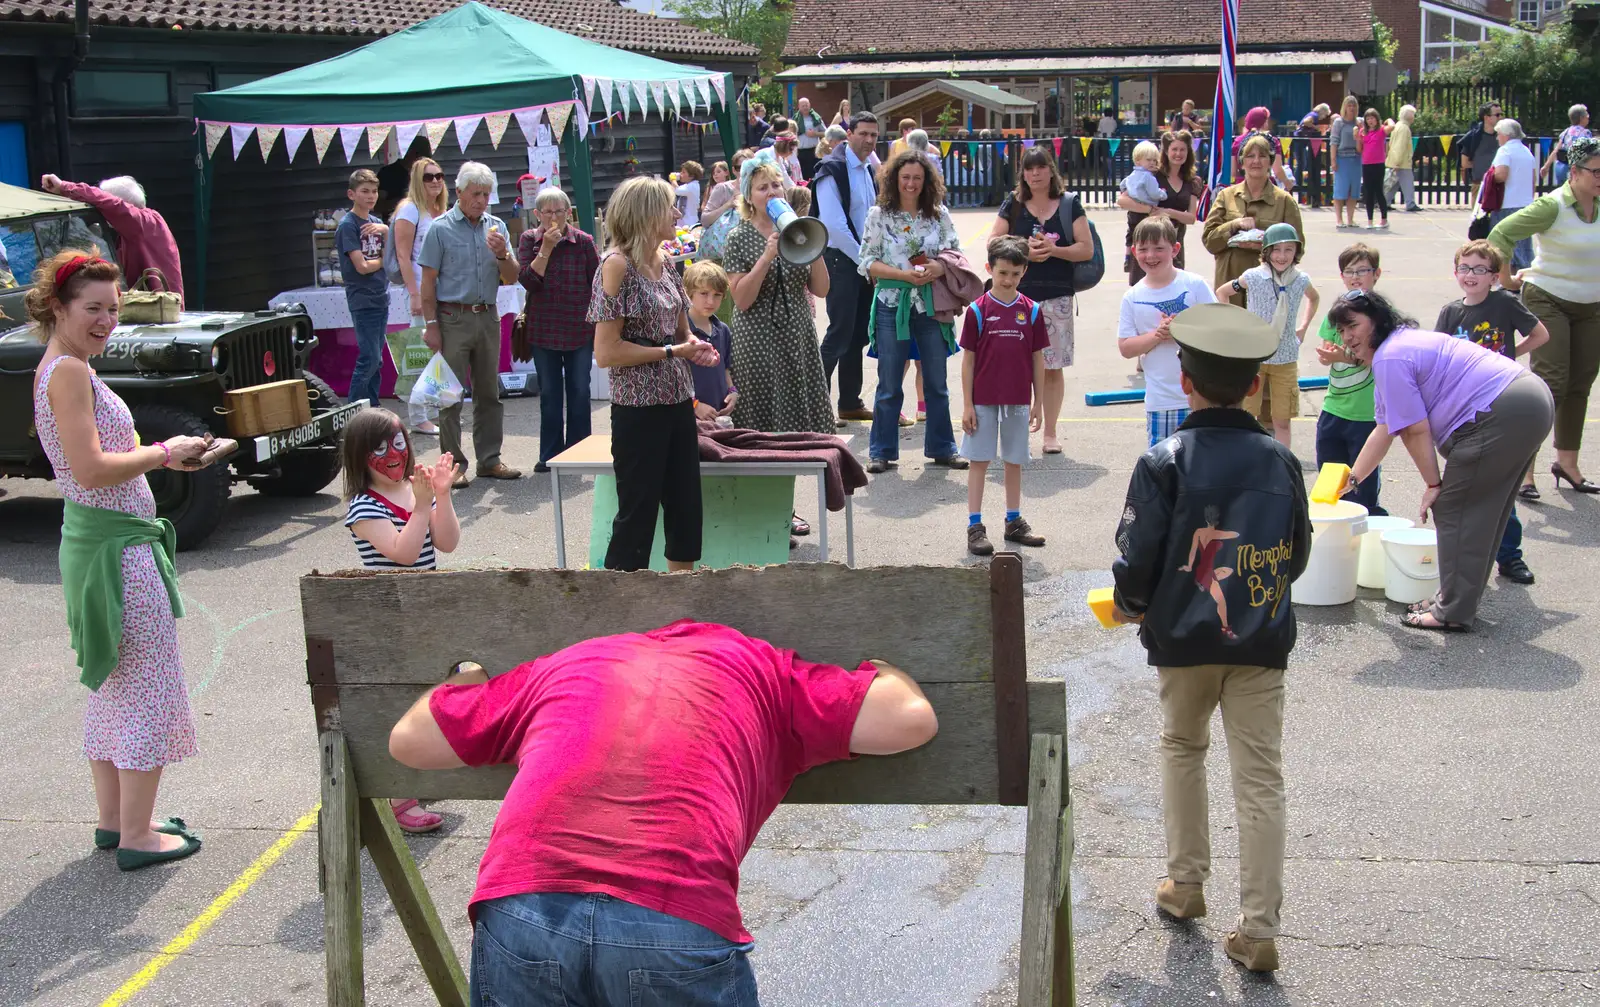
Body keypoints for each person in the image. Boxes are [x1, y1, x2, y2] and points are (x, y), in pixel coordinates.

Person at [387, 622, 939, 1005]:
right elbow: (910, 718)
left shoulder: (565, 664)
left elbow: (408, 741)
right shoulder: (767, 670)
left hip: (524, 908)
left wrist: (464, 679)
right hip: (671, 918)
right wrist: (884, 669)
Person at [1109, 301, 1310, 974]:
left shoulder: (1164, 457)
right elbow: (1297, 553)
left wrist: (1135, 605)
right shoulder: (1281, 460)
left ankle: (1186, 883)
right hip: (1260, 640)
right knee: (1260, 781)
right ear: (1256, 384)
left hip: (1184, 638)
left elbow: (1136, 560)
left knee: (1182, 747)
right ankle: (1259, 929)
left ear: (1184, 377)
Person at [30, 250, 211, 871]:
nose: (107, 319)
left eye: (113, 307)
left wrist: (169, 456)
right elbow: (87, 468)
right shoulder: (70, 373)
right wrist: (165, 452)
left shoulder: (64, 364)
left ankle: (116, 820)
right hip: (116, 549)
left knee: (116, 683)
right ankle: (136, 833)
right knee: (147, 689)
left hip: (101, 543)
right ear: (58, 306)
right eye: (93, 308)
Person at [1334, 291, 1552, 630]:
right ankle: (1454, 599)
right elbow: (1386, 428)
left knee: (1453, 507)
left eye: (1353, 326)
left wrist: (1434, 484)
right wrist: (1351, 482)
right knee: (1484, 508)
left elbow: (1414, 431)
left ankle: (1451, 610)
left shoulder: (1389, 358)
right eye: (1341, 330)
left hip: (1502, 410)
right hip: (1528, 401)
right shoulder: (1400, 345)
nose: (1347, 337)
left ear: (1377, 320)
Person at [586, 176, 721, 573]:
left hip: (678, 402)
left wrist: (698, 348)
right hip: (638, 410)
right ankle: (622, 609)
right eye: (669, 206)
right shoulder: (616, 266)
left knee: (685, 510)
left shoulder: (665, 263)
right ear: (646, 213)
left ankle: (681, 603)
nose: (678, 213)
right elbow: (606, 352)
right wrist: (670, 351)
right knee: (637, 515)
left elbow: (683, 332)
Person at [339, 408, 459, 834]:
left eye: (398, 443)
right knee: (402, 703)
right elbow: (404, 555)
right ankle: (399, 797)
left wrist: (441, 496)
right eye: (379, 448)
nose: (393, 454)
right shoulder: (364, 508)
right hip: (389, 618)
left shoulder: (416, 490)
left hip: (424, 612)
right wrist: (423, 507)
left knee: (436, 691)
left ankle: (419, 774)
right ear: (359, 456)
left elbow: (445, 543)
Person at [1489, 136, 1600, 496]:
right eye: (1596, 171)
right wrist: (1506, 278)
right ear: (1576, 172)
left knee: (1580, 384)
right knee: (1551, 384)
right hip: (1549, 298)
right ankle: (1525, 470)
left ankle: (1567, 463)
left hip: (1592, 305)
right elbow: (1501, 232)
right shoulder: (1552, 206)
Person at [1435, 240, 1549, 586]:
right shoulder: (1451, 311)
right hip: (1464, 409)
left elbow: (1540, 334)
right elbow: (1438, 356)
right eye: (1465, 268)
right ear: (1456, 272)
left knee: (1499, 485)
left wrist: (1508, 357)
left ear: (1495, 276)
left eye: (1480, 269)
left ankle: (1510, 557)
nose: (1471, 275)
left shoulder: (1504, 303)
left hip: (1499, 402)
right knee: (1469, 486)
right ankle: (1464, 560)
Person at [859, 148, 967, 474]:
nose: (911, 184)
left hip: (932, 305)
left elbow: (954, 252)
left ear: (926, 181)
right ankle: (880, 451)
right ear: (894, 179)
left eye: (917, 178)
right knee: (889, 382)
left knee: (936, 381)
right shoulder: (879, 215)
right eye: (905, 177)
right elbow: (867, 262)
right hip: (893, 305)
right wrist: (903, 275)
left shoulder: (939, 214)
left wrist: (936, 267)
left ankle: (943, 447)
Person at [419, 161, 522, 488]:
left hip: (488, 315)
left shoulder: (496, 227)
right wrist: (431, 324)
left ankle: (489, 460)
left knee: (489, 392)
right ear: (460, 192)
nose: (481, 200)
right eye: (476, 193)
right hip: (452, 316)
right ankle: (453, 464)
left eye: (486, 194)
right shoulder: (440, 228)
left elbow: (513, 276)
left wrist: (504, 254)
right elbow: (427, 282)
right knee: (449, 394)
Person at [989, 147, 1094, 454]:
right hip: (1015, 298)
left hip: (1056, 296)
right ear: (1022, 174)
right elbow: (993, 241)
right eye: (1029, 169)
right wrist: (1024, 251)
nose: (1035, 174)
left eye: (1041, 168)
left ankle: (1050, 432)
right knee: (1013, 365)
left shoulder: (1069, 204)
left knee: (1052, 367)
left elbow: (1085, 249)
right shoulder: (1014, 203)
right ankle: (1015, 431)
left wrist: (1054, 251)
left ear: (1051, 170)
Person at [724, 151, 834, 440]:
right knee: (761, 423)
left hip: (797, 335)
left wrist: (813, 245)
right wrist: (766, 257)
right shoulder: (738, 237)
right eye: (762, 187)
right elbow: (742, 300)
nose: (771, 192)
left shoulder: (796, 228)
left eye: (775, 185)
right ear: (749, 197)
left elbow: (821, 290)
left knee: (801, 420)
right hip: (756, 338)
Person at [960, 236, 1048, 556]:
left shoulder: (1032, 311)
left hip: (1018, 400)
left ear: (1023, 271)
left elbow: (1038, 358)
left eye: (1014, 273)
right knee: (980, 460)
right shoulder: (977, 311)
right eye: (1002, 273)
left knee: (1014, 461)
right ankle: (975, 526)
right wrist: (967, 404)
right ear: (990, 269)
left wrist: (1038, 402)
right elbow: (968, 360)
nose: (1008, 279)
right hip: (983, 399)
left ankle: (1013, 521)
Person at [516, 187, 600, 474]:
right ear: (537, 215)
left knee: (579, 390)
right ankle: (550, 454)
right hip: (544, 329)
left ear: (569, 213)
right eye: (548, 212)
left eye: (560, 211)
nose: (554, 218)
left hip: (579, 328)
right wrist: (546, 249)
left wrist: (598, 325)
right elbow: (528, 281)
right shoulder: (529, 239)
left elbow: (597, 283)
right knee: (550, 393)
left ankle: (581, 451)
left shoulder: (584, 242)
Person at [1218, 223, 1318, 451]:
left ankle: (1282, 460)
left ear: (1296, 252)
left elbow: (1314, 298)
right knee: (1248, 415)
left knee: (1282, 419)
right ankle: (1249, 457)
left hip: (1286, 357)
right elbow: (1223, 293)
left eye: (1289, 249)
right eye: (1276, 249)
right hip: (1255, 357)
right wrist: (1236, 326)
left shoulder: (1300, 279)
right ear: (1266, 252)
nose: (1282, 256)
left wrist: (1302, 327)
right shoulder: (1253, 277)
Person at [1119, 216, 1218, 446]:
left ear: (1175, 249)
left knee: (1204, 465)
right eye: (1143, 249)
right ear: (1134, 251)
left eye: (1159, 248)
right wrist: (1157, 335)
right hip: (1161, 401)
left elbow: (1217, 328)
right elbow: (1125, 347)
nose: (1150, 255)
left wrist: (1182, 331)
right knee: (1164, 470)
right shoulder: (1133, 297)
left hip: (1203, 398)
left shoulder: (1194, 285)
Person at [814, 111, 881, 422]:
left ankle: (850, 403)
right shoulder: (832, 169)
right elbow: (835, 227)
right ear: (849, 133)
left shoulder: (868, 170)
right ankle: (814, 405)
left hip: (863, 263)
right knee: (839, 333)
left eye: (874, 135)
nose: (868, 140)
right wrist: (866, 263)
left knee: (857, 335)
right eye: (863, 133)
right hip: (842, 261)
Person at [1313, 243, 1387, 515]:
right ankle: (1333, 534)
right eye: (1349, 271)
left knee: (1361, 489)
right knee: (1329, 483)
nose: (1355, 276)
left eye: (1362, 270)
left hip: (1366, 415)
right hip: (1334, 409)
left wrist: (1341, 357)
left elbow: (1373, 357)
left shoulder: (1380, 316)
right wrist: (1327, 355)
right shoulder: (1336, 312)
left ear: (1376, 274)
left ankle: (1364, 538)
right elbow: (1326, 350)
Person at [38, 173, 185, 304]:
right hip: (152, 309)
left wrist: (64, 187)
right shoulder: (144, 224)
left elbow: (109, 202)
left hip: (157, 313)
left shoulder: (141, 223)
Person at [1202, 135, 1304, 307]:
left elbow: (1298, 248)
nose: (1256, 161)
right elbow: (1209, 240)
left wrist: (1265, 246)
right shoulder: (1226, 196)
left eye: (1262, 156)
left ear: (1270, 161)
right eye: (1250, 156)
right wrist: (1234, 225)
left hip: (1269, 286)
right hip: (1228, 284)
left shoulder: (1285, 201)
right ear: (1242, 162)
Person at [392, 157, 450, 434]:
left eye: (439, 175)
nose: (436, 181)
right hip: (420, 291)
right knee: (424, 352)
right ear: (417, 180)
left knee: (442, 351)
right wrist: (414, 294)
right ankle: (417, 414)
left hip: (443, 292)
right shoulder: (409, 210)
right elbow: (403, 255)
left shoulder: (438, 209)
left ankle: (437, 407)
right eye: (429, 177)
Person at [334, 168, 391, 409]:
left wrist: (387, 231)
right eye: (364, 191)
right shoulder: (348, 225)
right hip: (363, 299)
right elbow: (362, 266)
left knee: (377, 360)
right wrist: (382, 263)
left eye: (374, 191)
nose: (370, 196)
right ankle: (355, 409)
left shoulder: (377, 223)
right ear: (351, 194)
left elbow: (395, 254)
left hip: (381, 297)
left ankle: (373, 407)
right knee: (369, 358)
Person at [1118, 130, 1201, 285]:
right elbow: (1122, 201)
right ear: (1166, 152)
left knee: (1173, 295)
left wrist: (1167, 212)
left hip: (1174, 244)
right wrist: (1149, 210)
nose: (1178, 153)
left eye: (1182, 149)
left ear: (1188, 152)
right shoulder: (1152, 175)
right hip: (1149, 243)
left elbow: (1191, 218)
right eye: (1174, 149)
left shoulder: (1193, 181)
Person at [682, 260, 737, 419]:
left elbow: (725, 368)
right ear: (688, 292)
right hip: (689, 415)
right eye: (704, 293)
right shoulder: (680, 332)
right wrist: (694, 405)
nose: (711, 301)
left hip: (719, 412)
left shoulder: (723, 330)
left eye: (717, 295)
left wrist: (732, 391)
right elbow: (672, 378)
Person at [1488, 119, 1538, 270]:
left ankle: (1509, 278)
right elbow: (1533, 179)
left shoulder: (1505, 151)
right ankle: (1526, 274)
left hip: (1506, 203)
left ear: (1506, 135)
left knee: (1503, 243)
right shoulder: (1526, 151)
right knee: (1523, 244)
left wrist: (1491, 175)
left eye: (1498, 134)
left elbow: (1501, 175)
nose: (1497, 138)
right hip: (1524, 203)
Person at [1329, 96, 1361, 229]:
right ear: (1344, 107)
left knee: (1354, 191)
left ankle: (1350, 219)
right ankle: (1339, 219)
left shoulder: (1359, 122)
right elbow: (1334, 141)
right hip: (1342, 159)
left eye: (1354, 105)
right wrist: (1333, 160)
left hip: (1356, 158)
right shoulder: (1338, 122)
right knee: (1340, 191)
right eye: (1349, 105)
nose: (1351, 108)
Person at [1356, 108, 1391, 230]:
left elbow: (1392, 127)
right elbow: (1359, 149)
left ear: (1377, 119)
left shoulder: (1381, 130)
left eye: (1372, 118)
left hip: (1379, 164)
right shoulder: (1362, 132)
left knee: (1379, 191)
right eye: (1368, 118)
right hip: (1366, 164)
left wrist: (1389, 120)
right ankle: (1370, 221)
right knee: (1368, 192)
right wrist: (1357, 138)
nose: (1370, 121)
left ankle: (1384, 219)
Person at [701, 149, 751, 228]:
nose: (744, 170)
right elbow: (705, 220)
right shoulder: (723, 188)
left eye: (749, 166)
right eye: (739, 167)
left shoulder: (761, 189)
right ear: (734, 170)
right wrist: (728, 204)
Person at [1460, 101, 1503, 193]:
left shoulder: (1504, 136)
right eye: (1497, 115)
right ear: (1486, 117)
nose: (1501, 118)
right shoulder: (1473, 137)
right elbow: (1464, 163)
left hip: (1499, 185)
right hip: (1479, 184)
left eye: (1501, 114)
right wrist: (1483, 166)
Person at [1543, 104, 1591, 186]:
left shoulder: (1566, 132)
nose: (1588, 117)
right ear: (1581, 118)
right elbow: (1590, 153)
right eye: (1586, 115)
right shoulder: (1585, 133)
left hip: (1561, 169)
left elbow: (1556, 151)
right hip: (1575, 170)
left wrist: (1546, 166)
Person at [1385, 105, 1420, 212]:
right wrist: (1398, 162)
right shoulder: (1405, 128)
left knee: (1394, 184)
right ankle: (1410, 203)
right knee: (1408, 183)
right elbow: (1400, 146)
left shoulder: (1398, 126)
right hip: (1402, 162)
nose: (1414, 117)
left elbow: (1392, 144)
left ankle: (1385, 202)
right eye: (1413, 115)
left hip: (1395, 161)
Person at [1121, 141, 1166, 207]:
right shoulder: (1148, 176)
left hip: (1134, 208)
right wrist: (1163, 194)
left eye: (1154, 160)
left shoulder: (1133, 174)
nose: (1152, 163)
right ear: (1137, 161)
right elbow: (1154, 194)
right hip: (1148, 207)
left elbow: (1122, 185)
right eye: (1148, 160)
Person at [793, 96, 826, 179]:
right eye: (803, 106)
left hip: (814, 151)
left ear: (810, 105)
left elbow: (825, 133)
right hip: (800, 152)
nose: (805, 107)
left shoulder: (816, 118)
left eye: (806, 105)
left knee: (814, 175)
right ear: (799, 107)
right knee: (802, 176)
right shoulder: (795, 119)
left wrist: (815, 133)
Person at [674, 160, 704, 228]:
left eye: (683, 172)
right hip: (682, 221)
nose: (681, 174)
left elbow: (677, 190)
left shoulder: (693, 186)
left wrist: (673, 179)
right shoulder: (687, 185)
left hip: (690, 221)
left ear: (692, 176)